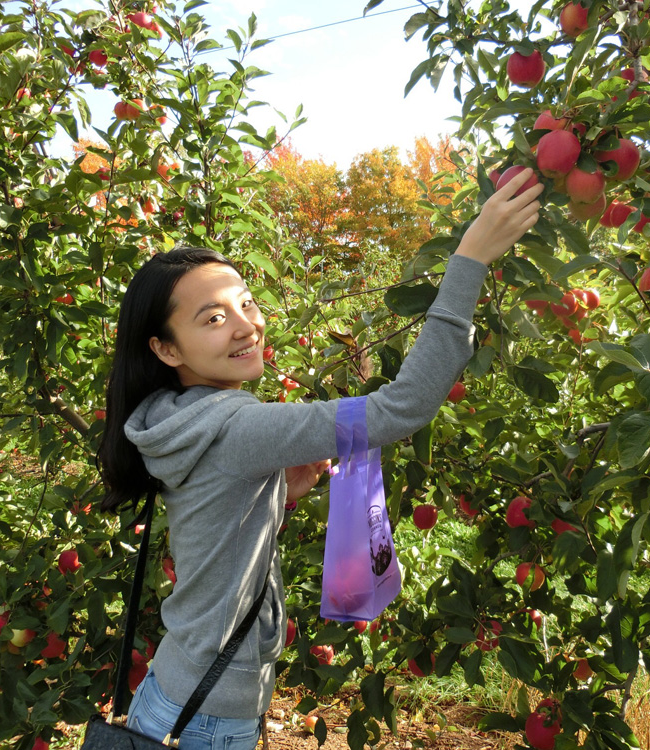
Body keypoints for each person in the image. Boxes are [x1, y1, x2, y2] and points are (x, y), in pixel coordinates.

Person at [95, 169, 544, 749]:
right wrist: (471, 259)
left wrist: (277, 493)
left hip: (175, 692)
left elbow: (213, 521)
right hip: (207, 718)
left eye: (246, 303)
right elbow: (399, 409)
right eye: (213, 317)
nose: (246, 326)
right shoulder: (237, 425)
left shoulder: (173, 416)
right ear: (165, 348)